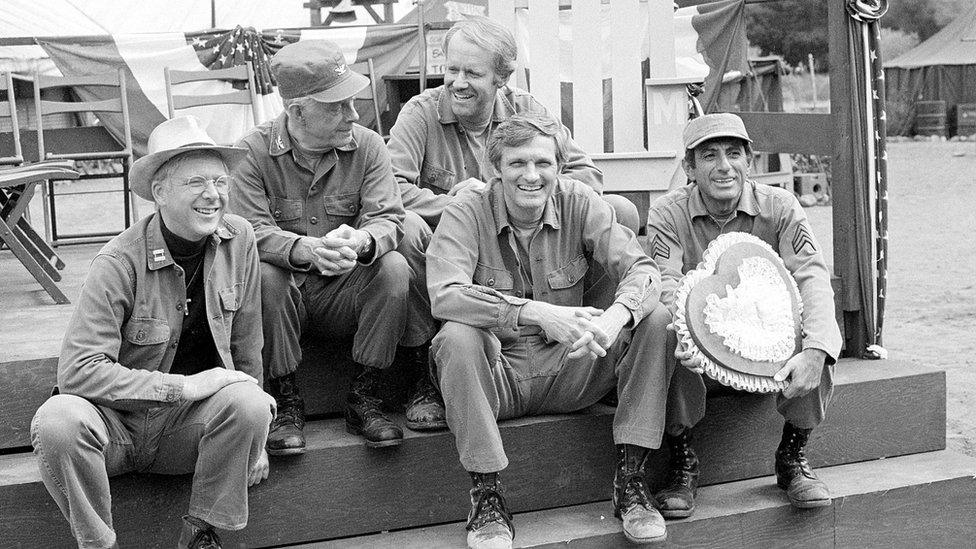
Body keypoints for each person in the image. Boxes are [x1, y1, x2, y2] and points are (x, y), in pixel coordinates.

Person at [426, 113, 674, 549]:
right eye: (517, 164)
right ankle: (486, 497)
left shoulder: (578, 200)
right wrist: (537, 312)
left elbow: (643, 270)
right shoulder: (466, 211)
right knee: (456, 336)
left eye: (543, 163)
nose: (531, 175)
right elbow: (445, 295)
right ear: (494, 170)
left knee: (654, 318)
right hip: (497, 377)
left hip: (574, 367)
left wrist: (615, 317)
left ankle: (632, 482)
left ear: (559, 167)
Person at [30, 116, 274, 549]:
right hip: (113, 429)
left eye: (220, 181)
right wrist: (182, 386)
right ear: (159, 193)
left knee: (251, 401)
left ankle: (202, 535)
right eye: (195, 182)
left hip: (187, 433)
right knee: (58, 420)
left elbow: (246, 344)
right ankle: (98, 544)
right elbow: (78, 373)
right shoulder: (117, 262)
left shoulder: (241, 239)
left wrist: (258, 438)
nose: (213, 195)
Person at [229, 40, 442, 454]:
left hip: (346, 293)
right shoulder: (252, 153)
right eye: (337, 106)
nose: (354, 114)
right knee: (267, 275)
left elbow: (391, 217)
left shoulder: (368, 145)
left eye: (351, 102)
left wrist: (364, 240)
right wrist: (304, 249)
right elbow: (247, 229)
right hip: (286, 300)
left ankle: (365, 396)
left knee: (394, 267)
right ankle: (285, 401)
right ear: (297, 111)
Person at [646, 112, 843, 517]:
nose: (723, 166)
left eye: (734, 154)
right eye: (709, 156)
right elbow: (664, 282)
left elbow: (811, 276)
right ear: (688, 167)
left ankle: (792, 454)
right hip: (701, 350)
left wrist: (817, 350)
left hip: (767, 344)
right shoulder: (668, 213)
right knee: (666, 330)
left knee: (818, 329)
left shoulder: (781, 207)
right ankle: (682, 457)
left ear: (749, 161)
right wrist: (688, 334)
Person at [387, 16, 640, 234]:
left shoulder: (524, 109)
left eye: (472, 74)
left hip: (524, 241)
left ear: (502, 77)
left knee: (620, 211)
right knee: (407, 226)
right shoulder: (420, 113)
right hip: (452, 244)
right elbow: (392, 189)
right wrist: (462, 206)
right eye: (453, 70)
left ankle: (611, 292)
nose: (458, 83)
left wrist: (506, 197)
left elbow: (587, 175)